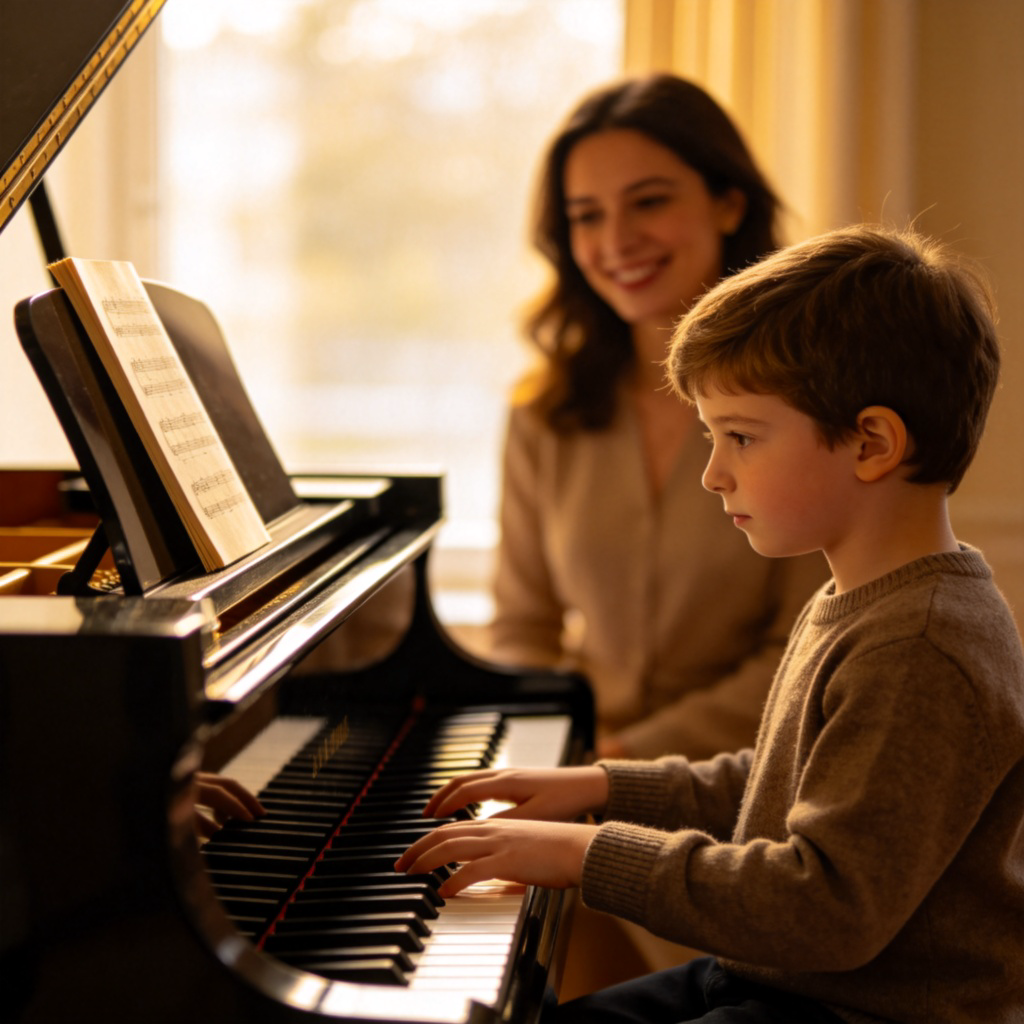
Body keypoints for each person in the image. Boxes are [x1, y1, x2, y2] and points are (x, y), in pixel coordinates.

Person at [397, 225, 1024, 1023]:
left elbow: (827, 908)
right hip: (781, 982)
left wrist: (588, 853)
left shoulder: (920, 644)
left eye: (741, 437)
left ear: (871, 442)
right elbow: (775, 786)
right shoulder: (869, 598)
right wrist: (599, 787)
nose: (713, 472)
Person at [489, 73, 826, 764]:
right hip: (581, 774)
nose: (616, 240)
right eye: (586, 215)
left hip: (760, 779)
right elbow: (523, 626)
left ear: (728, 203)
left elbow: (810, 640)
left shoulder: (814, 398)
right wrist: (545, 757)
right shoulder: (543, 413)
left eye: (649, 201)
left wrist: (623, 761)